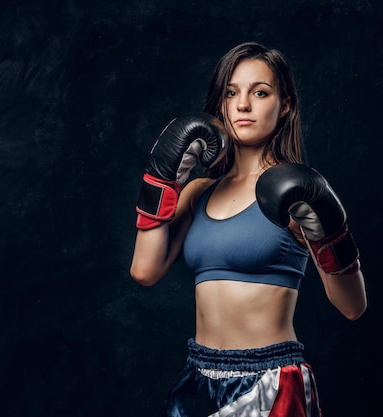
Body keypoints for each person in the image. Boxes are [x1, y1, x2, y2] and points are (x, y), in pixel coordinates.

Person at [130, 41, 367, 417]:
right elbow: (144, 271)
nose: (242, 105)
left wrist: (330, 232)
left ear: (284, 104)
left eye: (260, 92)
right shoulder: (198, 192)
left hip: (270, 382)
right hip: (198, 380)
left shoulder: (295, 194)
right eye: (231, 92)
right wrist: (163, 180)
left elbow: (352, 307)